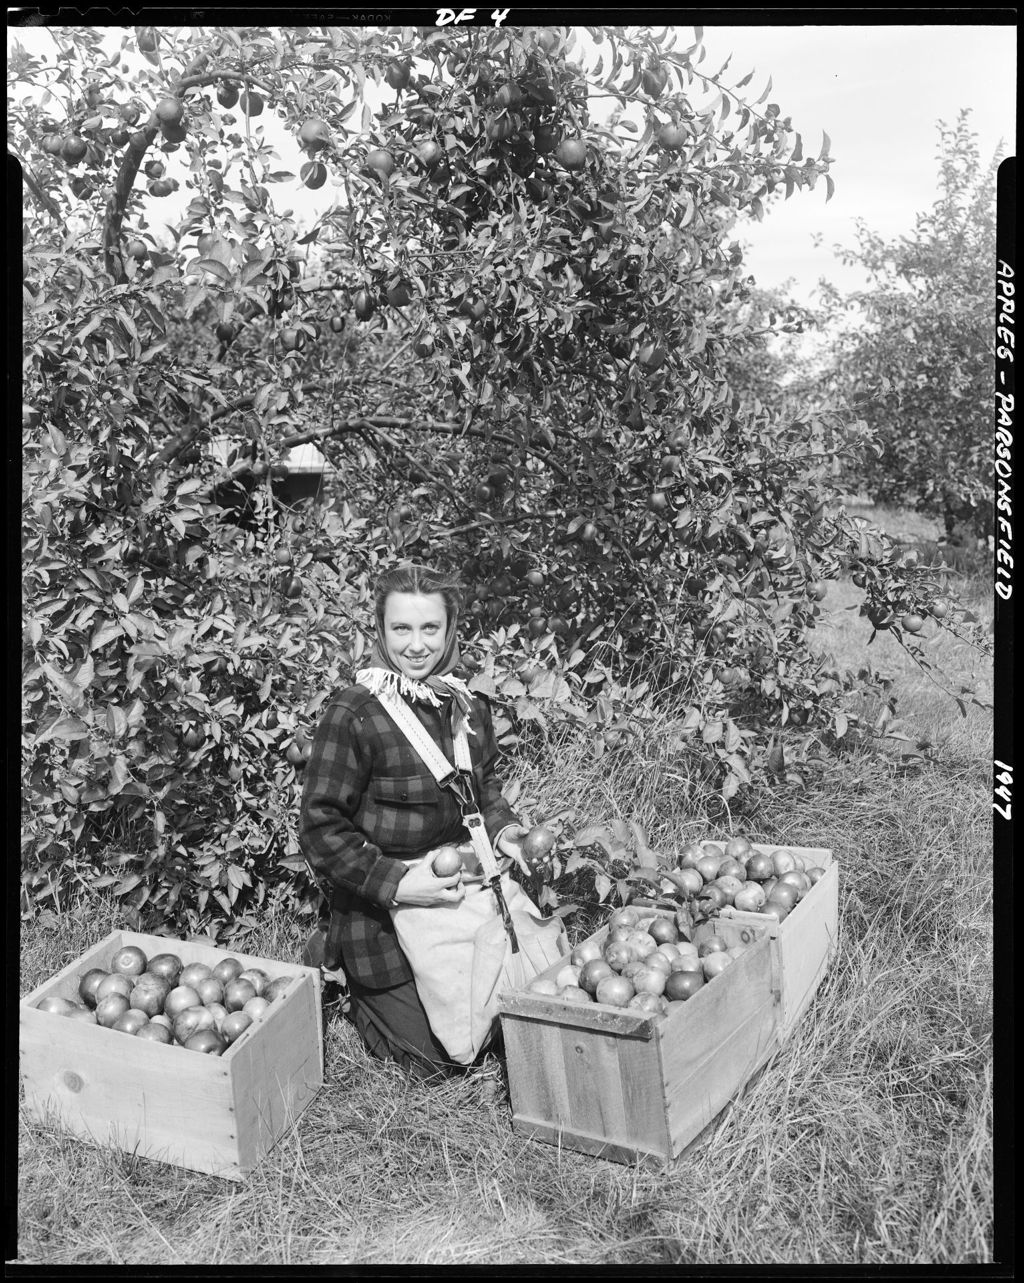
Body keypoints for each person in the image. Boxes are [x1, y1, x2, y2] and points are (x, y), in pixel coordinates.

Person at [299, 563, 529, 1081]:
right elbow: (320, 828)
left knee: (509, 1025)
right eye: (402, 628)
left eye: (430, 629)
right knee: (436, 1063)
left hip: (458, 890)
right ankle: (347, 973)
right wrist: (401, 885)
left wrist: (504, 831)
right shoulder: (355, 713)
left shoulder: (468, 708)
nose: (417, 645)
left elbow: (483, 792)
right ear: (380, 631)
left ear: (449, 632)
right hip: (382, 908)